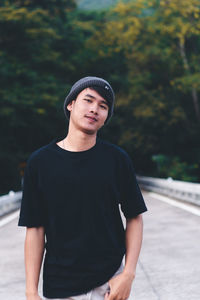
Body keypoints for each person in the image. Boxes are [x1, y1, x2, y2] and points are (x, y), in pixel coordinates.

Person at [18, 76, 147, 300]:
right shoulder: (40, 163)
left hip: (109, 284)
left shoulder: (116, 160)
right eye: (88, 100)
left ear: (106, 116)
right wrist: (31, 291)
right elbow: (35, 229)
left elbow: (134, 217)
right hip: (59, 286)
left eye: (103, 106)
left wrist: (128, 274)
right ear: (71, 104)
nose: (94, 109)